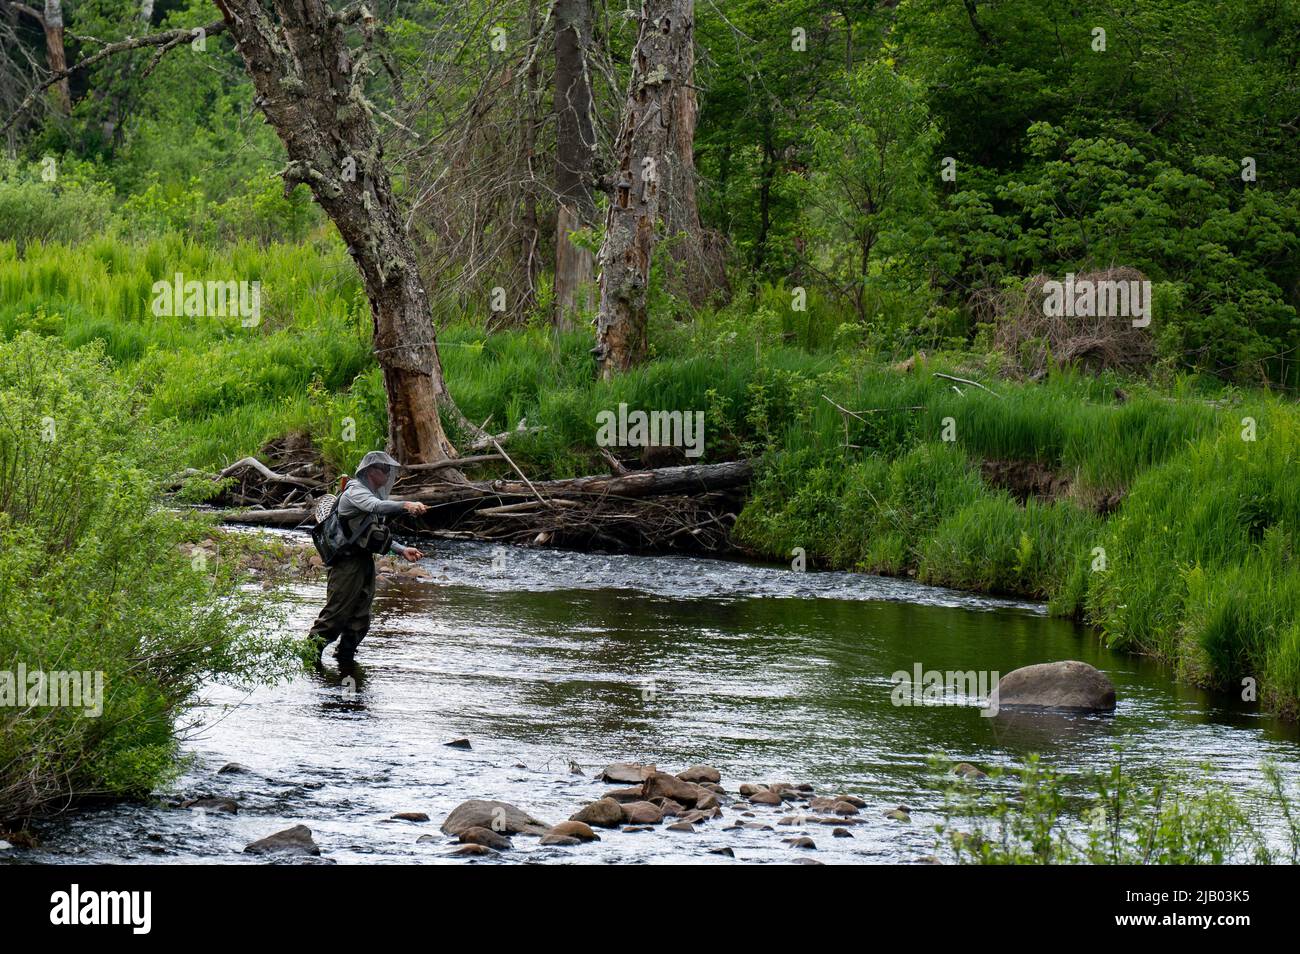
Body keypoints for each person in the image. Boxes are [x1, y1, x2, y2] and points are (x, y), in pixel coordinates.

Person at [309, 450, 428, 663]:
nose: (388, 474)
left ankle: (345, 660)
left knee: (360, 620)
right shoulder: (356, 491)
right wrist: (405, 505)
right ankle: (308, 657)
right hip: (345, 563)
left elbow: (370, 534)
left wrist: (402, 550)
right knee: (335, 615)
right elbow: (376, 506)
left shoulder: (369, 494)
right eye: (385, 470)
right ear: (371, 471)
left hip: (363, 560)